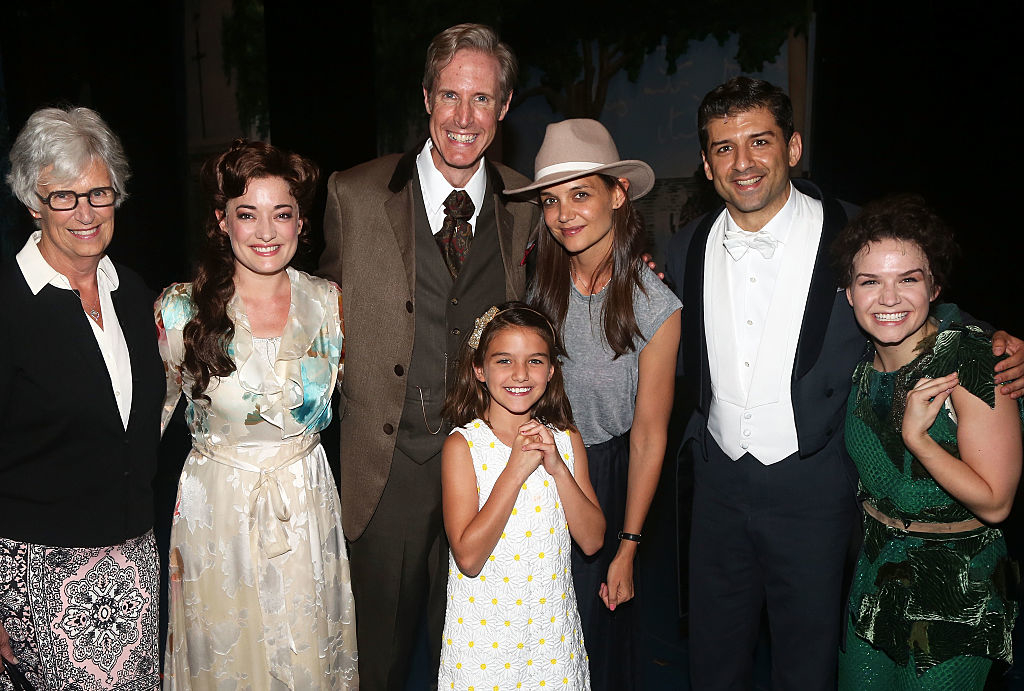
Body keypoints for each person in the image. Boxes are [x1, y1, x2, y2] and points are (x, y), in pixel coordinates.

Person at [664, 76, 1024, 691]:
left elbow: (912, 298)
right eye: (724, 148)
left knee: (809, 662)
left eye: (759, 141)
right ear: (705, 164)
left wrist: (994, 338)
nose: (743, 162)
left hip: (817, 487)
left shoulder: (855, 231)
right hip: (718, 484)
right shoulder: (685, 246)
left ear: (793, 147)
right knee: (712, 658)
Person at [318, 23, 538, 689]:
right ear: (425, 99)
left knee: (476, 660)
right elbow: (321, 318)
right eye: (450, 96)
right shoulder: (353, 194)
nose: (463, 117)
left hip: (486, 467)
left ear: (502, 110)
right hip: (388, 472)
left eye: (481, 99)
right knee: (378, 663)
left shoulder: (523, 202)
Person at [156, 140, 357, 689]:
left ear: (301, 223)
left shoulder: (331, 304)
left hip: (305, 505)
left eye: (282, 213)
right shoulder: (180, 311)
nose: (266, 231)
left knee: (307, 656)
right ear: (222, 221)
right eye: (248, 214)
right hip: (216, 514)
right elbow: (143, 426)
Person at [505, 119, 681, 690]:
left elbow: (651, 435)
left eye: (581, 194)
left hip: (606, 479)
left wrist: (628, 546)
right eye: (552, 201)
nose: (564, 214)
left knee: (592, 647)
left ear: (618, 193)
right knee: (534, 636)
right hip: (534, 468)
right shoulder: (539, 290)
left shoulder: (655, 303)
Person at [0, 107, 163, 689]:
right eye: (64, 198)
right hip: (42, 575)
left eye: (98, 193)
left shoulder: (132, 293)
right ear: (32, 203)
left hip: (135, 568)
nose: (86, 213)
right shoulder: (11, 306)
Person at [831, 195, 1022, 690]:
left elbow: (997, 502)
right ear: (849, 293)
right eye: (870, 281)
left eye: (908, 279)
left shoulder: (974, 361)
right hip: (874, 579)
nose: (889, 298)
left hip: (957, 592)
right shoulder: (859, 362)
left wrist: (919, 439)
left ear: (934, 286)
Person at [438, 302, 604, 690]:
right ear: (480, 369)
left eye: (534, 361)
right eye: (503, 361)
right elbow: (469, 557)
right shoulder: (464, 447)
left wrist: (558, 468)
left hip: (552, 641)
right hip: (482, 644)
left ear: (550, 371)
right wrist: (514, 471)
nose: (519, 374)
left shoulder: (566, 439)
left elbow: (593, 540)